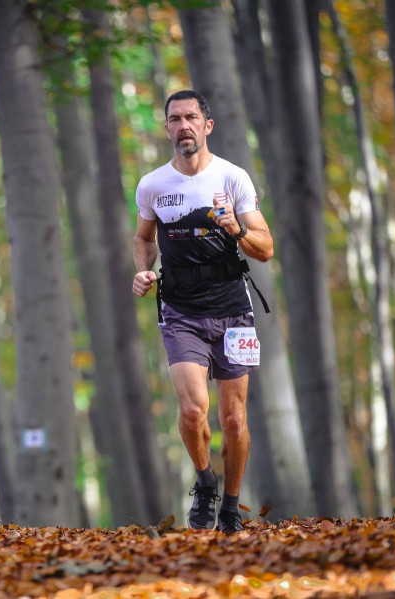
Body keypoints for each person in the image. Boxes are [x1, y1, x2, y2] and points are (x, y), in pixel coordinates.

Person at [132, 90, 273, 533]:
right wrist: (144, 270)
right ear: (167, 129)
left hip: (233, 309)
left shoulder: (232, 177)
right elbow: (143, 238)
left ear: (207, 125)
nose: (184, 126)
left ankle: (230, 505)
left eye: (191, 117)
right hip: (181, 311)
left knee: (234, 419)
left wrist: (237, 229)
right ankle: (206, 481)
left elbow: (266, 248)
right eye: (175, 119)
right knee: (194, 411)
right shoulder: (152, 185)